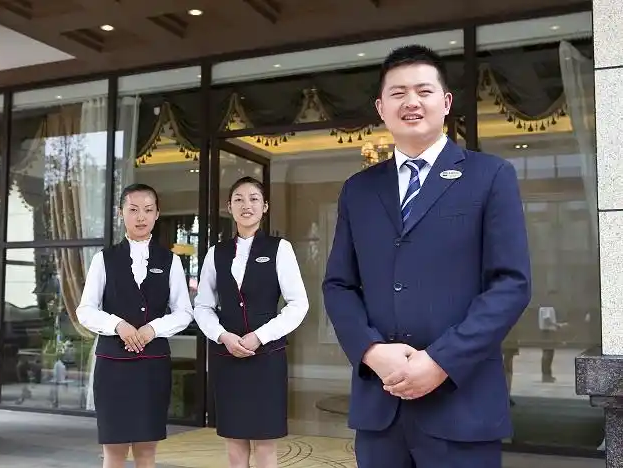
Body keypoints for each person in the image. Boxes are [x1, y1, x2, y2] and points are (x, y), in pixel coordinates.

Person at [322, 45, 531, 468]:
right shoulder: (358, 190)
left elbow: (510, 284)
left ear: (446, 102)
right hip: (381, 405)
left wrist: (441, 361)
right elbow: (338, 284)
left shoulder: (490, 176)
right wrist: (370, 350)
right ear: (381, 108)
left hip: (461, 404)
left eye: (423, 91)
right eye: (398, 93)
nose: (411, 102)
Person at [192, 176, 309, 468]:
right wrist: (222, 335)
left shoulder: (280, 248)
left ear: (265, 206)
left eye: (254, 199)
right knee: (234, 442)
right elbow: (203, 306)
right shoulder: (216, 253)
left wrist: (260, 336)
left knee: (265, 444)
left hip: (266, 358)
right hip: (227, 358)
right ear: (229, 207)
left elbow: (298, 304)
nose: (247, 205)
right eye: (239, 199)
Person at [76, 183, 193, 468]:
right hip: (112, 366)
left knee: (146, 450)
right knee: (114, 450)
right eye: (133, 210)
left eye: (148, 210)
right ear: (121, 213)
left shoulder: (170, 261)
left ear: (157, 214)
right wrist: (117, 325)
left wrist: (153, 329)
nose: (141, 217)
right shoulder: (103, 259)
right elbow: (85, 310)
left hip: (152, 367)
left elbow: (184, 312)